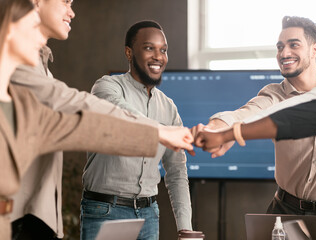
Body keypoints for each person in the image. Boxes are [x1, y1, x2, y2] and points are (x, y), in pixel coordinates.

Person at [0, 1, 194, 239]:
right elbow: (74, 105)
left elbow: (76, 126)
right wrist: (159, 133)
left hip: (35, 217)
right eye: (65, 2)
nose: (72, 12)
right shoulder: (105, 86)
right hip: (88, 210)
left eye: (163, 49)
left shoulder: (40, 72)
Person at [194, 16, 316, 239]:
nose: (284, 53)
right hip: (286, 214)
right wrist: (215, 128)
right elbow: (242, 114)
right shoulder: (274, 95)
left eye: (294, 44)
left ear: (314, 49)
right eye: (280, 47)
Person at [80, 20, 193, 240]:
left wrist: (185, 228)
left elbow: (177, 172)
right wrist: (164, 132)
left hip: (149, 214)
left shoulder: (169, 108)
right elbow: (123, 115)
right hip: (106, 210)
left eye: (163, 50)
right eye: (149, 48)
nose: (158, 56)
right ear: (129, 52)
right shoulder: (106, 87)